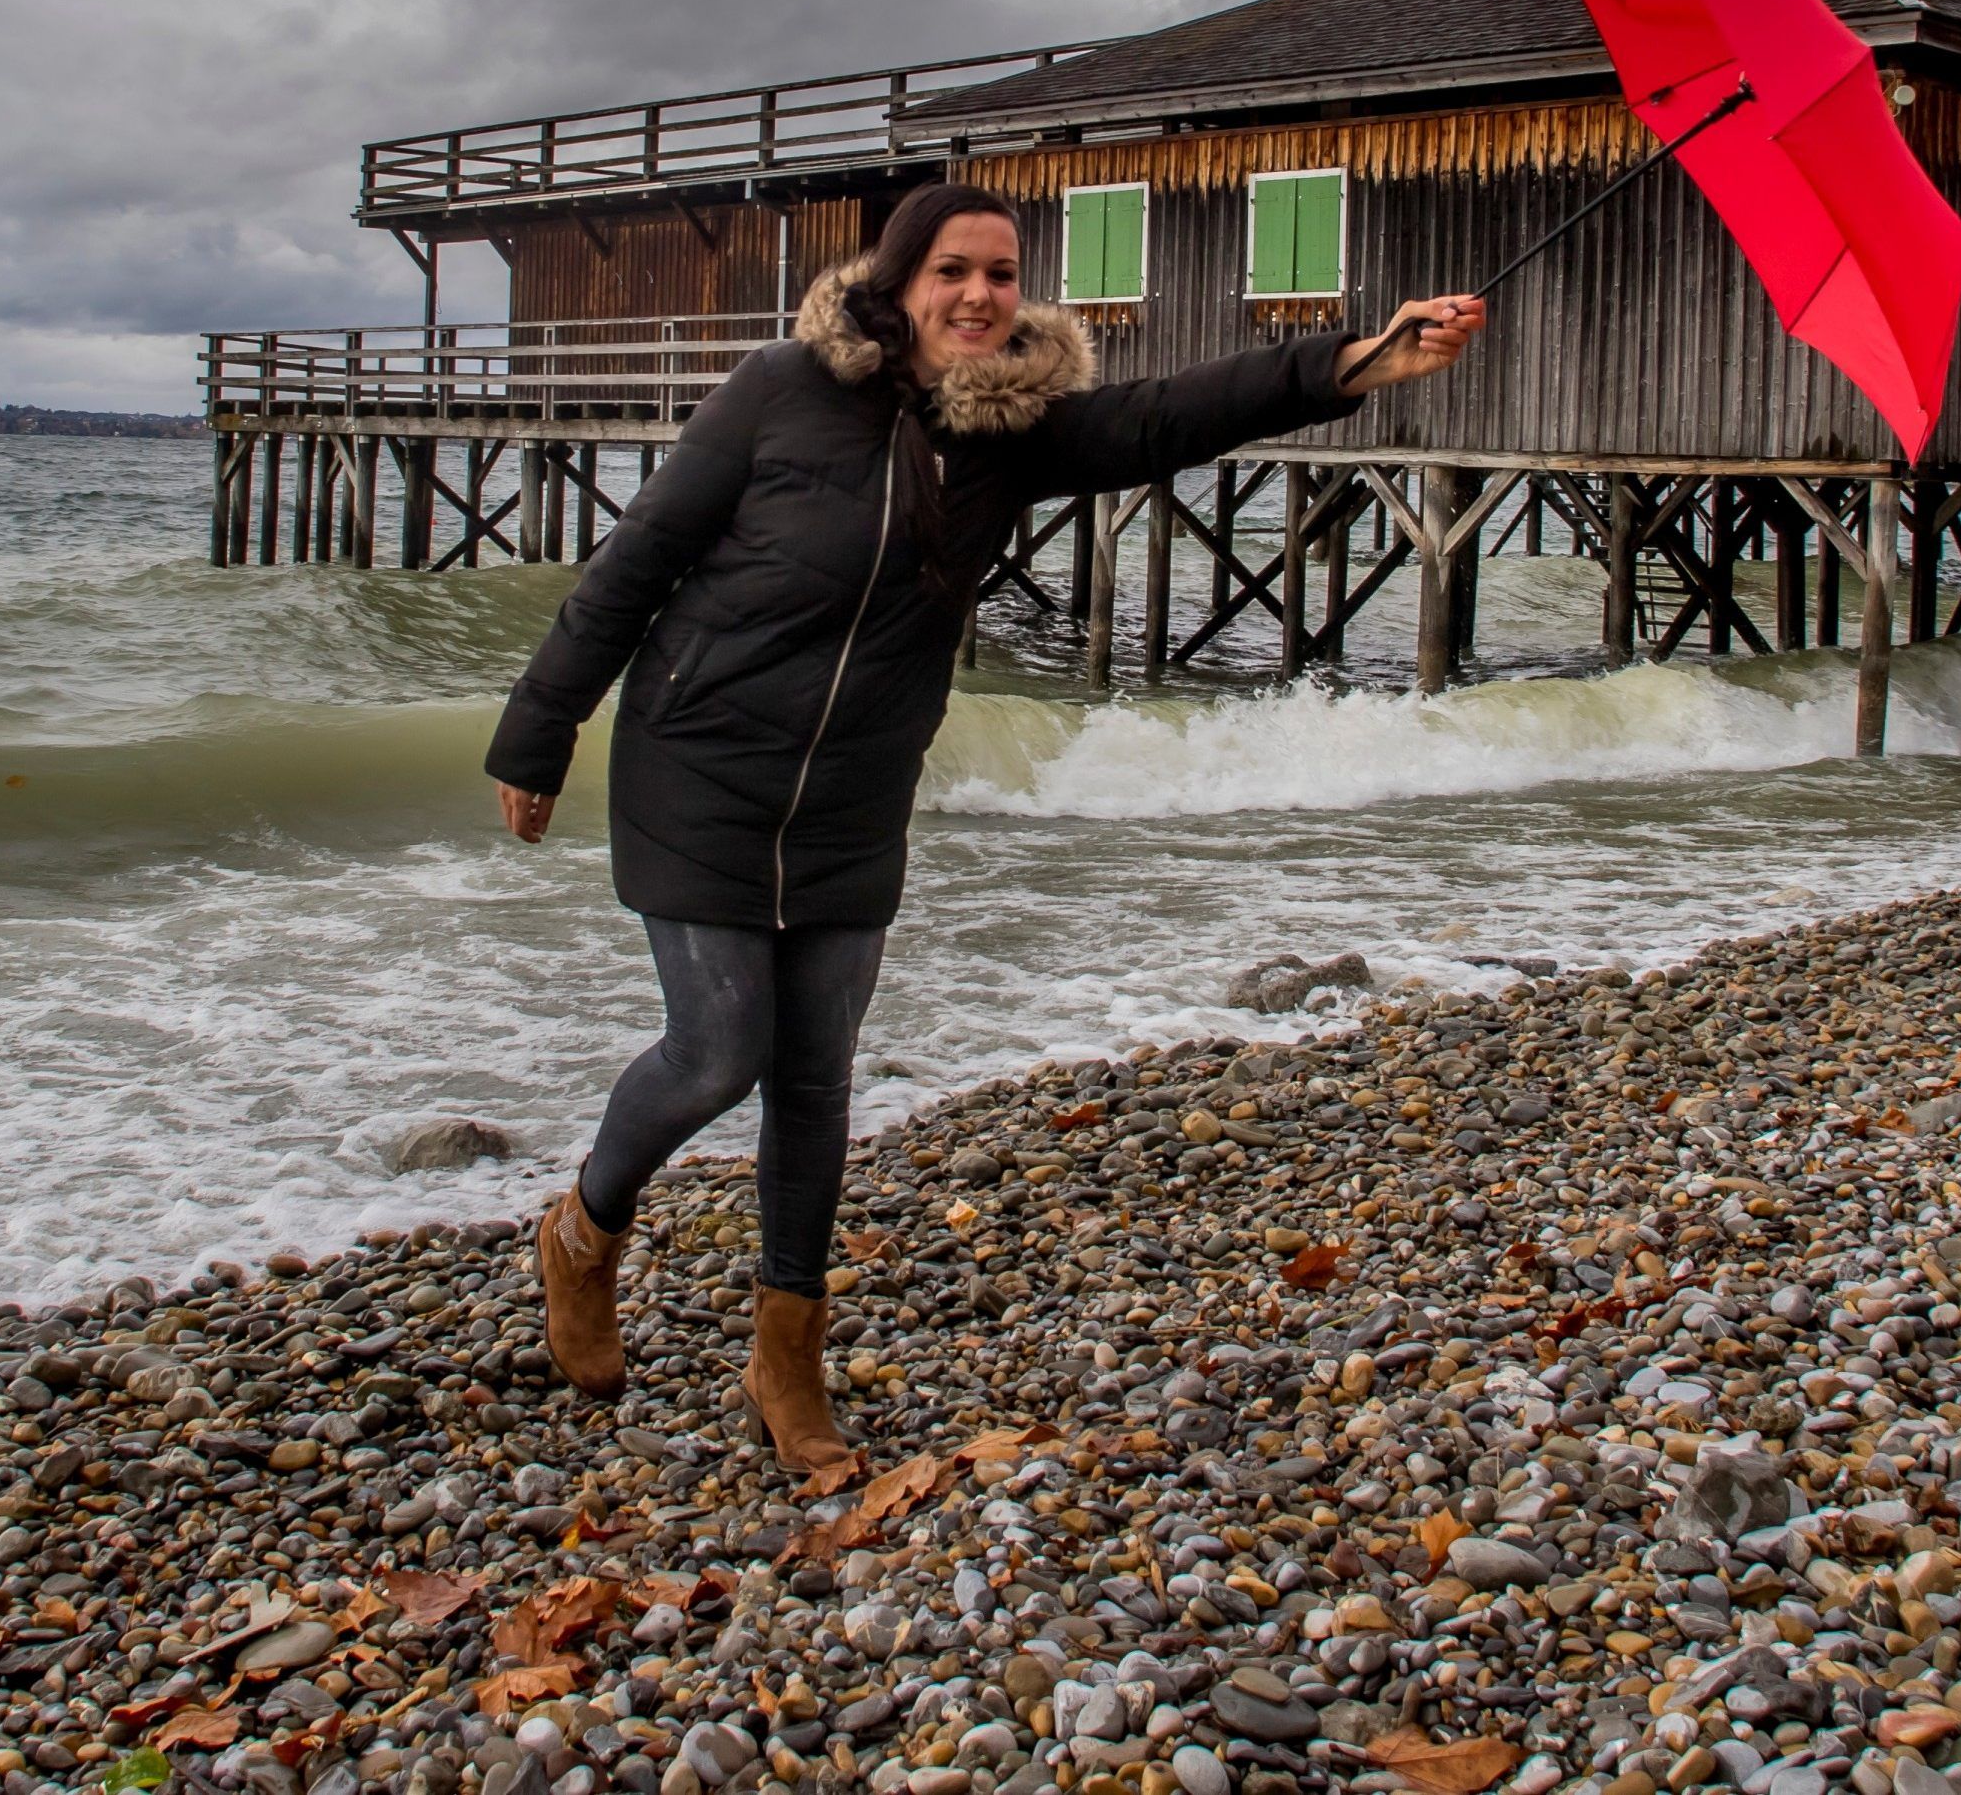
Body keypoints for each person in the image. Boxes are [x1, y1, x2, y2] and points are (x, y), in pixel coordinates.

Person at [483, 179, 1483, 1472]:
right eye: (953, 269)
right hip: (701, 764)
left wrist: (1353, 360)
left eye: (1002, 274)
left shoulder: (1017, 429)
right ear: (900, 279)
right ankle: (585, 1228)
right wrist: (540, 726)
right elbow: (640, 559)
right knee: (718, 1048)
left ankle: (789, 1354)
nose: (978, 295)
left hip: (856, 793)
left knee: (817, 1074)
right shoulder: (780, 390)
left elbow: (1172, 415)